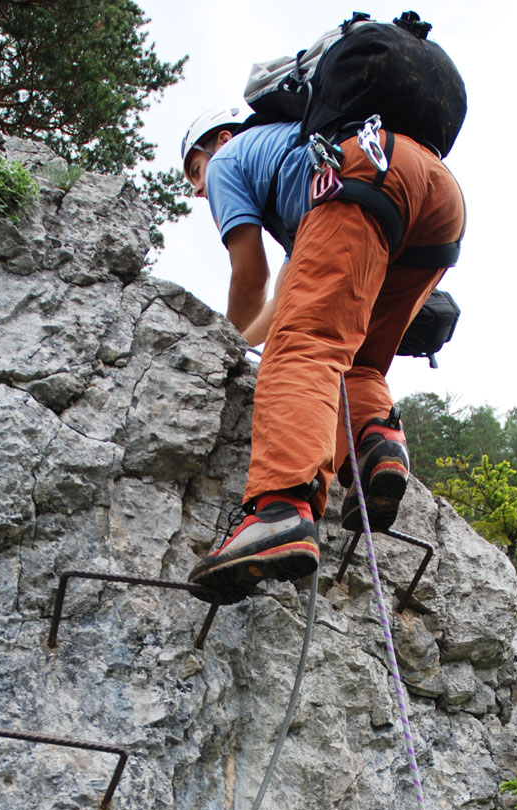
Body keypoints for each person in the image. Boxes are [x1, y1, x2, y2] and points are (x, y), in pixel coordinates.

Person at [181, 102, 465, 605]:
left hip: (366, 173)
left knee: (304, 347)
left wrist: (216, 343)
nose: (198, 189)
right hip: (436, 197)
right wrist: (244, 342)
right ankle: (378, 445)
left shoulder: (231, 161)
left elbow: (251, 277)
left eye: (195, 171)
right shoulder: (301, 156)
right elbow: (286, 303)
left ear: (219, 140)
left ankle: (278, 510)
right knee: (356, 357)